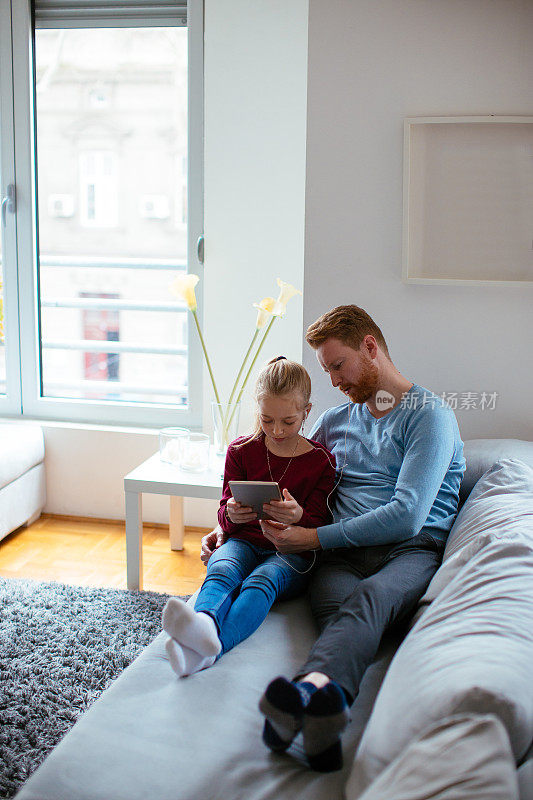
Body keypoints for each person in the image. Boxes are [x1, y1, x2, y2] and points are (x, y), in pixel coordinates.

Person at [250, 305, 466, 772]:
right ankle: (323, 719)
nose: (332, 381)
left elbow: (409, 516)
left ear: (370, 348)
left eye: (337, 365)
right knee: (339, 609)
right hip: (341, 557)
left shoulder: (428, 416)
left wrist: (312, 539)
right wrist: (227, 526)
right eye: (326, 369)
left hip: (409, 551)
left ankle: (304, 693)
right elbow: (289, 480)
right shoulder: (335, 421)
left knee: (368, 600)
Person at [162, 356, 336, 678]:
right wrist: (231, 515)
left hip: (292, 553)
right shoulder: (241, 451)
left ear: (306, 412)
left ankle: (213, 645)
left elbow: (322, 525)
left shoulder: (321, 461)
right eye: (267, 419)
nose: (277, 430)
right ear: (258, 410)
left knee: (262, 580)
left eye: (288, 421)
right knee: (222, 567)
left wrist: (299, 516)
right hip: (245, 541)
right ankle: (203, 625)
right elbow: (224, 518)